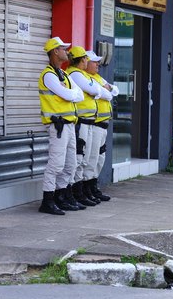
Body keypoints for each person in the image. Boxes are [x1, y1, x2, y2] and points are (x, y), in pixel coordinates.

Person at [38, 37, 84, 215]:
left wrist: (71, 94)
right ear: (55, 51)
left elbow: (77, 95)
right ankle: (47, 201)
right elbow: (66, 94)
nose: (67, 52)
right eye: (63, 49)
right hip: (58, 126)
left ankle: (61, 196)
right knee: (56, 164)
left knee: (70, 163)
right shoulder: (48, 75)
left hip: (70, 125)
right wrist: (71, 94)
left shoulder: (63, 74)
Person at [65, 46, 105, 206]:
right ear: (82, 60)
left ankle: (82, 190)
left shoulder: (82, 74)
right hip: (81, 122)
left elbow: (101, 91)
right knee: (80, 159)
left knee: (89, 158)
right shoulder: (75, 74)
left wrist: (98, 90)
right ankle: (75, 192)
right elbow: (94, 90)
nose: (90, 62)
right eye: (87, 59)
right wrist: (98, 90)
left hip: (89, 122)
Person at [84, 50, 118, 201]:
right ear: (85, 63)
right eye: (94, 62)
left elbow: (115, 90)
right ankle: (87, 189)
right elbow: (108, 94)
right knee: (91, 158)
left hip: (103, 124)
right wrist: (107, 90)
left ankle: (93, 186)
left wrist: (108, 89)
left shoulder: (98, 77)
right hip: (95, 123)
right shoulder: (87, 78)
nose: (98, 64)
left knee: (100, 157)